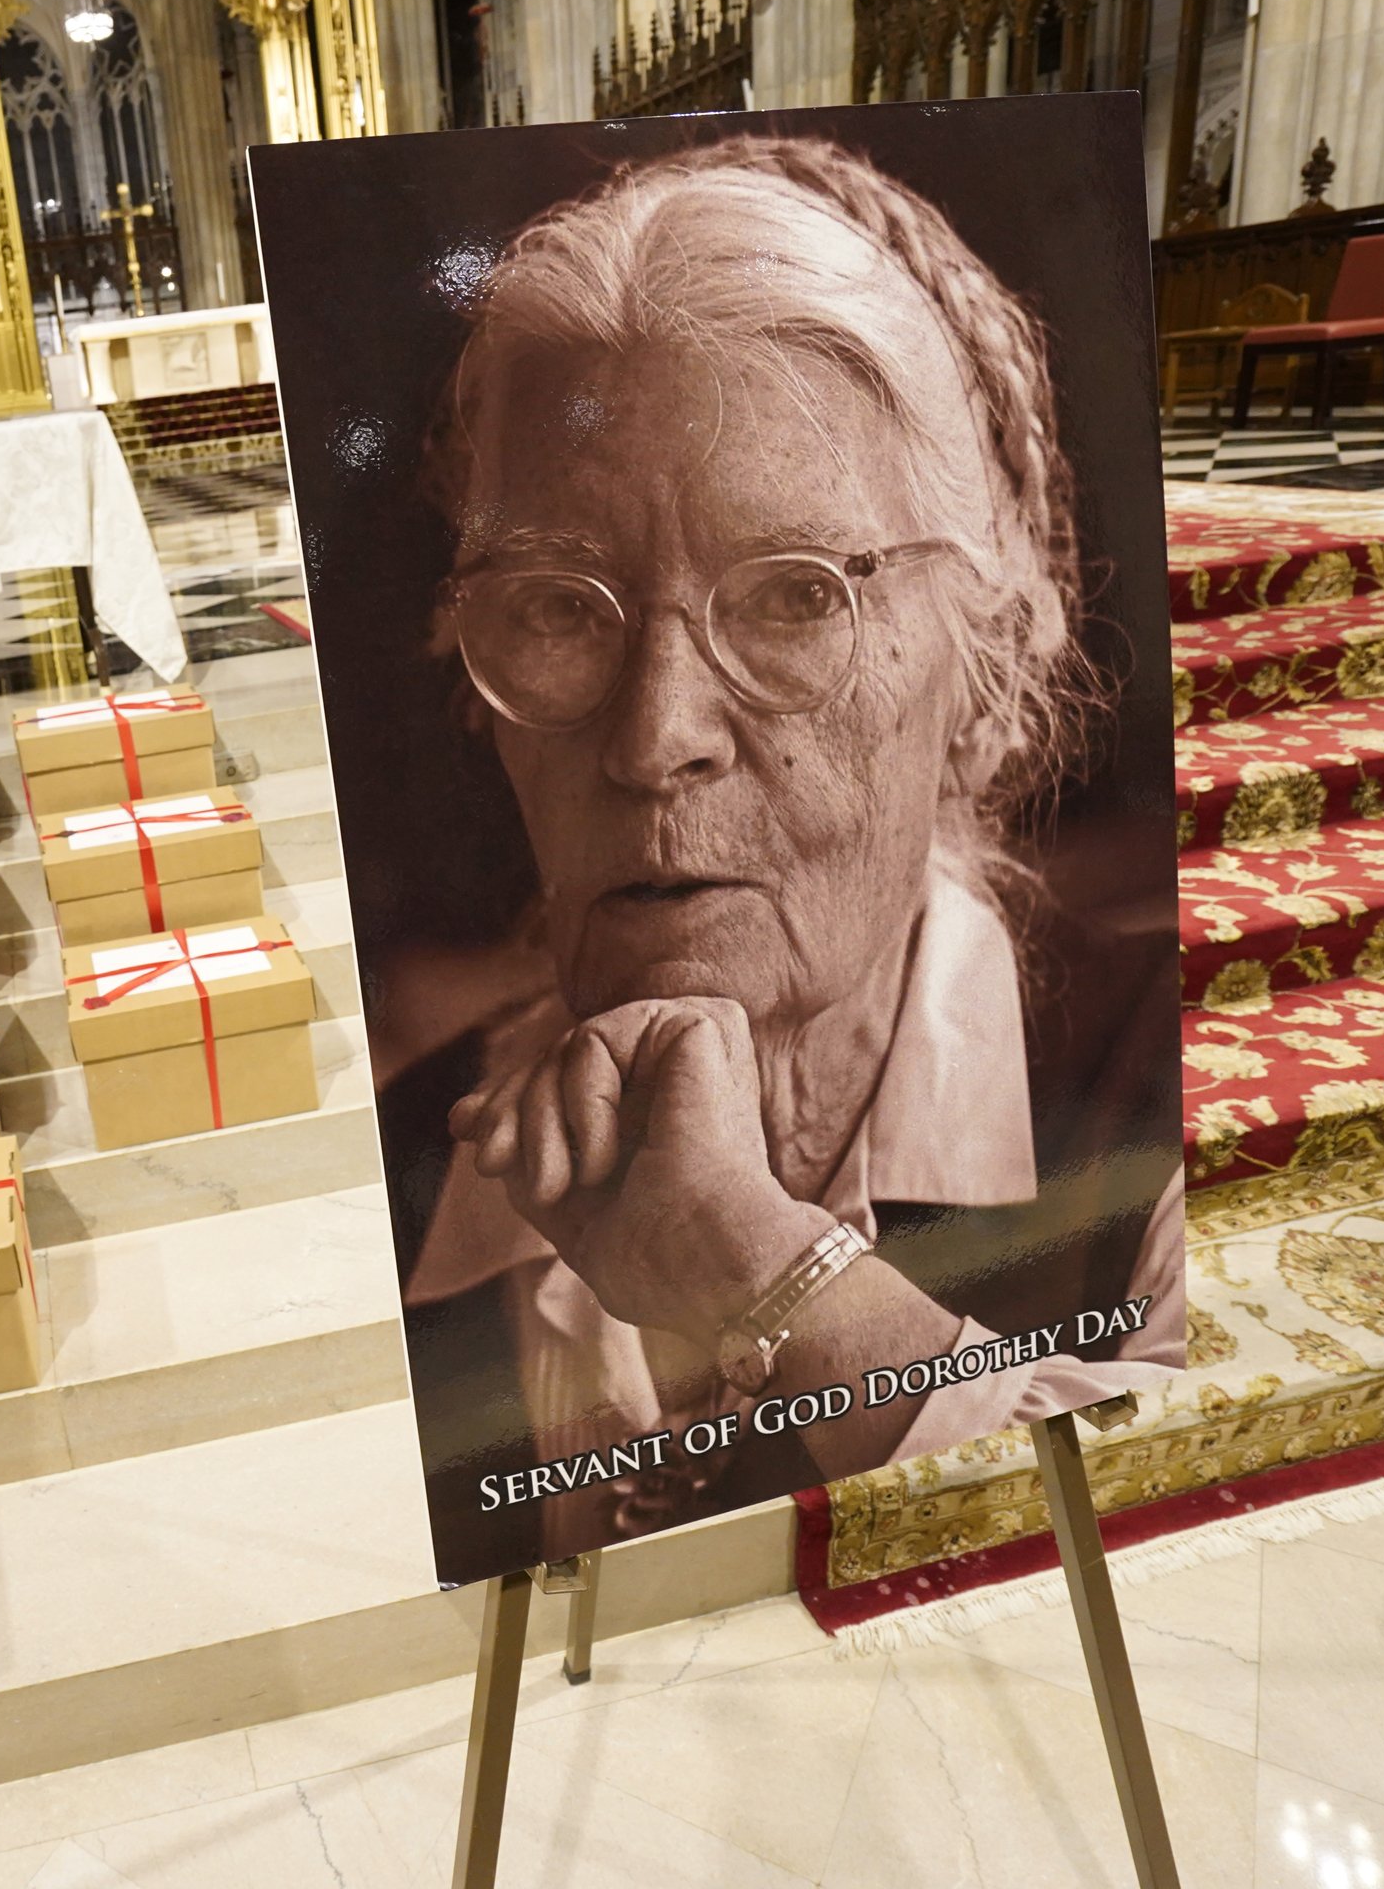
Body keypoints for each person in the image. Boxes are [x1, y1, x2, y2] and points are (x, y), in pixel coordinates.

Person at [395, 133, 1185, 1566]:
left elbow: (1207, 1550)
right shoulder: (408, 1167)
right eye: (564, 609)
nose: (654, 740)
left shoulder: (1163, 1091)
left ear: (985, 655)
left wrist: (765, 1275)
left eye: (794, 599)